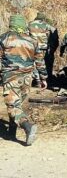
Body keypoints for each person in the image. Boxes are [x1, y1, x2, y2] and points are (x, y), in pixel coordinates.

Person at [0, 14, 47, 145]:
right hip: (27, 79)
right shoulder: (32, 41)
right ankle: (11, 133)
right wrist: (43, 78)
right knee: (17, 105)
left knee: (13, 106)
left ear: (11, 24)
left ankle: (28, 127)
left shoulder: (3, 39)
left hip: (11, 77)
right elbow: (39, 61)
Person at [28, 12, 56, 84]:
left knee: (33, 63)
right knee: (42, 63)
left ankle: (37, 79)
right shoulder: (46, 25)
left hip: (32, 46)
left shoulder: (30, 24)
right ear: (43, 18)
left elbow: (25, 34)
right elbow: (54, 31)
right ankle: (43, 79)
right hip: (43, 47)